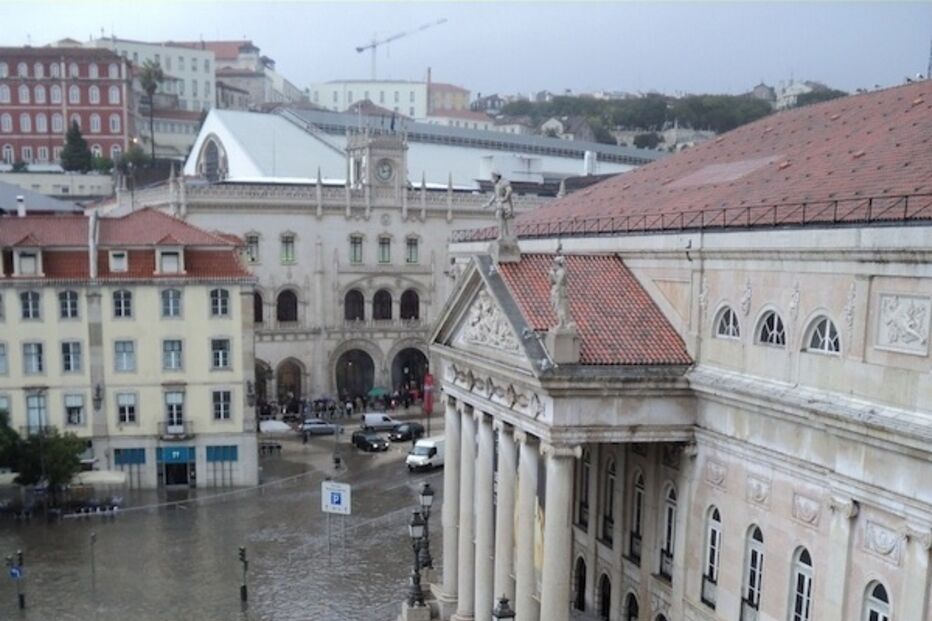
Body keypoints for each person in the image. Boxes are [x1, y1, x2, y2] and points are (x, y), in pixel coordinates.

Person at [484, 171, 515, 240]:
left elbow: (509, 190)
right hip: (499, 203)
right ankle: (501, 235)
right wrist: (489, 203)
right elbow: (495, 195)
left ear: (496, 176)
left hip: (505, 203)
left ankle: (508, 235)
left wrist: (505, 198)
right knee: (499, 217)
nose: (492, 178)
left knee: (507, 219)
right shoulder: (496, 184)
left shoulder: (504, 182)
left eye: (493, 176)